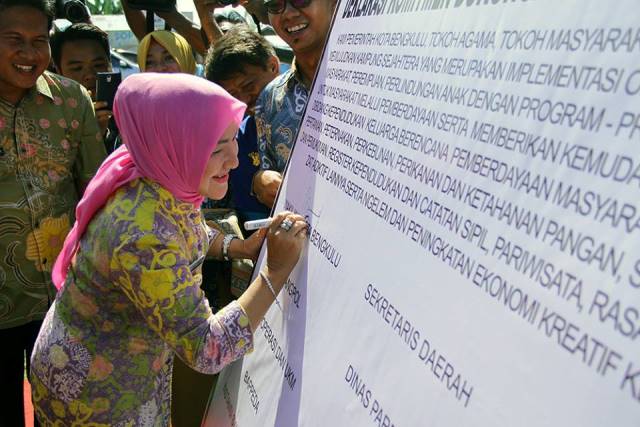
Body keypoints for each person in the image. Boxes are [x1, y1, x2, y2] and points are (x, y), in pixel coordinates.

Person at [30, 73, 307, 426]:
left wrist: (235, 247)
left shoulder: (157, 171)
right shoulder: (141, 234)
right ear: (174, 144)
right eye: (217, 148)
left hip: (109, 365)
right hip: (97, 396)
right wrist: (275, 272)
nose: (235, 161)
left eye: (232, 141)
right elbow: (207, 347)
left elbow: (183, 227)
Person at [0, 1, 107, 426]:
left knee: (65, 414)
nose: (30, 53)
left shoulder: (71, 99)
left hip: (63, 300)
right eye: (14, 41)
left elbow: (96, 193)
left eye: (39, 41)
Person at [252, 0, 337, 208]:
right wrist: (260, 182)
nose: (288, 14)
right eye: (274, 4)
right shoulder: (270, 97)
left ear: (334, 4)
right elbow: (268, 169)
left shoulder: (374, 85)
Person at [206, 27, 280, 226]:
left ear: (273, 66)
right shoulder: (234, 141)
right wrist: (255, 184)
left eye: (249, 86)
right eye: (232, 94)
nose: (244, 100)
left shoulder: (314, 116)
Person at [49, 23, 118, 153]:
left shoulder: (129, 111)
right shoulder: (48, 118)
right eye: (77, 68)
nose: (90, 75)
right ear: (58, 71)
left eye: (98, 65)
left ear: (109, 64)